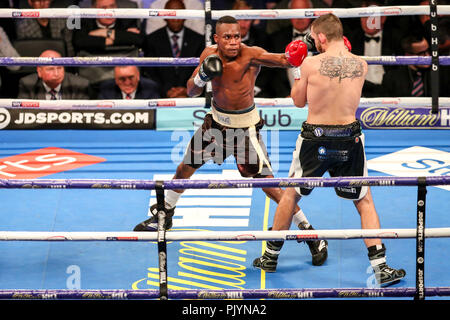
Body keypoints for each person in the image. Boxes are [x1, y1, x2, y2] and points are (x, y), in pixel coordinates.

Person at [134, 15, 328, 267]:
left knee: (269, 186)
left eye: (237, 36)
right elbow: (190, 90)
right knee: (185, 168)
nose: (234, 42)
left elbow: (285, 60)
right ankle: (165, 214)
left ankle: (310, 233)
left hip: (244, 130)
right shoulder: (208, 55)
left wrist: (306, 45)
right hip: (215, 125)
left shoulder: (251, 55)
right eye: (228, 37)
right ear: (217, 39)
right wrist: (202, 77)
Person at [253, 13, 406, 287]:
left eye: (314, 37)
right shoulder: (360, 64)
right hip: (349, 138)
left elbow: (298, 102)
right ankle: (381, 268)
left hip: (316, 139)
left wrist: (298, 69)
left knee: (290, 194)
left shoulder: (311, 64)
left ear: (321, 37)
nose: (313, 42)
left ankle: (270, 257)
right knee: (364, 200)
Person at [143, 0, 204, 98]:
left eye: (179, 14)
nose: (175, 19)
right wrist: (166, 91)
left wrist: (188, 90)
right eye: (172, 14)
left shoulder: (198, 40)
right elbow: (150, 72)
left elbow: (201, 70)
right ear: (165, 16)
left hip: (191, 96)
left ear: (185, 16)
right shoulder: (152, 40)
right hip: (161, 96)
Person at [381, 35, 449, 97]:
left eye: (428, 51)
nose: (427, 56)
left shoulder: (441, 73)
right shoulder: (392, 78)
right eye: (421, 53)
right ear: (408, 55)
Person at [17, 50, 90, 99]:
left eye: (59, 68)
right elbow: (22, 114)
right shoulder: (27, 84)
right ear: (39, 71)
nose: (56, 73)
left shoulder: (80, 84)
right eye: (50, 69)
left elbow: (83, 116)